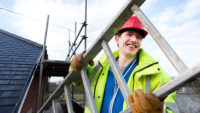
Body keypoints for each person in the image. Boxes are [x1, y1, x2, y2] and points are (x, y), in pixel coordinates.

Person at [70, 16, 178, 113]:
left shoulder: (158, 74)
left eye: (138, 37)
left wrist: (159, 111)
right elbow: (78, 81)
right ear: (117, 39)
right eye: (129, 34)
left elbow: (171, 109)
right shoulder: (100, 65)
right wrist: (75, 67)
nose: (134, 40)